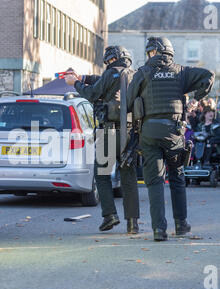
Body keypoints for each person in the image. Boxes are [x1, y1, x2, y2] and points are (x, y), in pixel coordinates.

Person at [127, 36, 215, 241]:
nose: (149, 56)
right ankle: (181, 225)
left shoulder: (143, 72)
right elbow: (209, 75)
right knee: (176, 177)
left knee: (155, 181)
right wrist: (196, 98)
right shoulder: (181, 71)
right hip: (174, 133)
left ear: (153, 52)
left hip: (149, 133)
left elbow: (130, 100)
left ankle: (159, 230)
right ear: (169, 52)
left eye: (150, 52)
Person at [65, 46, 140, 234]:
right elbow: (103, 82)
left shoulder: (111, 73)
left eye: (108, 61)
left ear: (113, 59)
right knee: (128, 177)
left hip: (108, 132)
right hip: (130, 133)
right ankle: (133, 223)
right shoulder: (136, 75)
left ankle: (110, 215)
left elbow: (92, 94)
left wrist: (75, 84)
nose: (107, 65)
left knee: (102, 174)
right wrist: (83, 78)